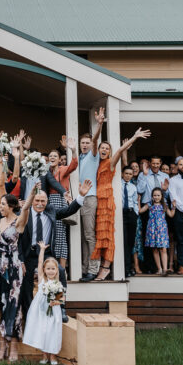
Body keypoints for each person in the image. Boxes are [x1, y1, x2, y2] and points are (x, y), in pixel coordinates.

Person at [19, 180, 88, 321]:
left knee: (61, 272)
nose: (40, 204)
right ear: (32, 200)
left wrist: (80, 196)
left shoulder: (50, 211)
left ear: (47, 201)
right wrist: (20, 260)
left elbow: (68, 210)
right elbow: (18, 239)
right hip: (28, 255)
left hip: (46, 254)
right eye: (37, 200)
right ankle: (28, 318)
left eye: (43, 201)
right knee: (26, 286)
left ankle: (60, 306)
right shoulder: (24, 214)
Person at [89, 127, 151, 281]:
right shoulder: (96, 163)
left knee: (107, 235)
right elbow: (93, 142)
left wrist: (134, 137)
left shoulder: (110, 162)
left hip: (107, 201)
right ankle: (101, 266)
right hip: (98, 200)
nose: (104, 150)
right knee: (100, 235)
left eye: (107, 148)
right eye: (102, 148)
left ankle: (106, 267)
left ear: (109, 152)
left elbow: (121, 149)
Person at [0, 193, 29, 362]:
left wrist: (32, 193)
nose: (0, 206)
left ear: (11, 206)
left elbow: (25, 208)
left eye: (3, 204)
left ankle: (14, 348)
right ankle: (2, 346)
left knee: (13, 306)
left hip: (12, 267)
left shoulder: (18, 221)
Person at [77, 108, 106, 281]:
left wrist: (99, 124)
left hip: (90, 198)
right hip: (78, 199)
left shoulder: (93, 156)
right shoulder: (79, 157)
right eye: (83, 143)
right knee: (81, 237)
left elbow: (96, 141)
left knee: (89, 235)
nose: (85, 145)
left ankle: (93, 269)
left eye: (87, 143)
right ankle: (84, 267)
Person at [23, 250, 64, 365]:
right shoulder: (42, 280)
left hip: (53, 312)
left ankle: (53, 356)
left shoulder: (57, 284)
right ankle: (44, 356)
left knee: (52, 332)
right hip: (41, 312)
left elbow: (62, 299)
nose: (50, 271)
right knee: (43, 332)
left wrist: (54, 302)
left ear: (57, 270)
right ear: (44, 270)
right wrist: (41, 250)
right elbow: (40, 263)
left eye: (53, 269)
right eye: (48, 269)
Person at [140, 188, 171, 275]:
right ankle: (159, 269)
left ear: (161, 196)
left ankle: (165, 269)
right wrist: (138, 201)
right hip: (152, 228)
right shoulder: (149, 204)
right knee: (155, 249)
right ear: (152, 196)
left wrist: (174, 207)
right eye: (155, 195)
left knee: (163, 249)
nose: (156, 197)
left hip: (162, 229)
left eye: (158, 195)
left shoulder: (164, 206)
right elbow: (140, 211)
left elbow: (171, 215)